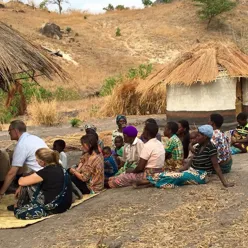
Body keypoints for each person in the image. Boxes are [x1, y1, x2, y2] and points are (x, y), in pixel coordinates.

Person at [145, 125, 234, 189]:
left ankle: (150, 181)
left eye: (199, 136)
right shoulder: (199, 146)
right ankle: (152, 182)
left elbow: (216, 166)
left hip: (202, 175)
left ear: (206, 137)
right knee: (173, 174)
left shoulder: (211, 148)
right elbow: (191, 161)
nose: (196, 138)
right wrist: (180, 169)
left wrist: (225, 183)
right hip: (192, 171)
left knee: (177, 177)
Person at [14, 148, 72, 220]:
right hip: (65, 205)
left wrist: (21, 178)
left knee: (26, 185)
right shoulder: (59, 168)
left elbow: (21, 182)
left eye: (37, 159)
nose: (36, 161)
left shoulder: (46, 172)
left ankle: (18, 205)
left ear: (42, 162)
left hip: (53, 207)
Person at [0, 120, 48, 201]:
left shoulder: (22, 145)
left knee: (23, 182)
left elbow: (12, 173)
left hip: (45, 177)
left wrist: (1, 192)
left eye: (9, 131)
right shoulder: (35, 138)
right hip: (56, 171)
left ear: (15, 131)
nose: (9, 133)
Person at [108, 122, 165, 188]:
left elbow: (140, 168)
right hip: (159, 172)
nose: (143, 132)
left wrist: (131, 171)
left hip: (149, 174)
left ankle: (147, 181)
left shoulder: (147, 145)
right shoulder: (159, 143)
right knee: (117, 177)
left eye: (144, 130)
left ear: (146, 132)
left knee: (119, 179)